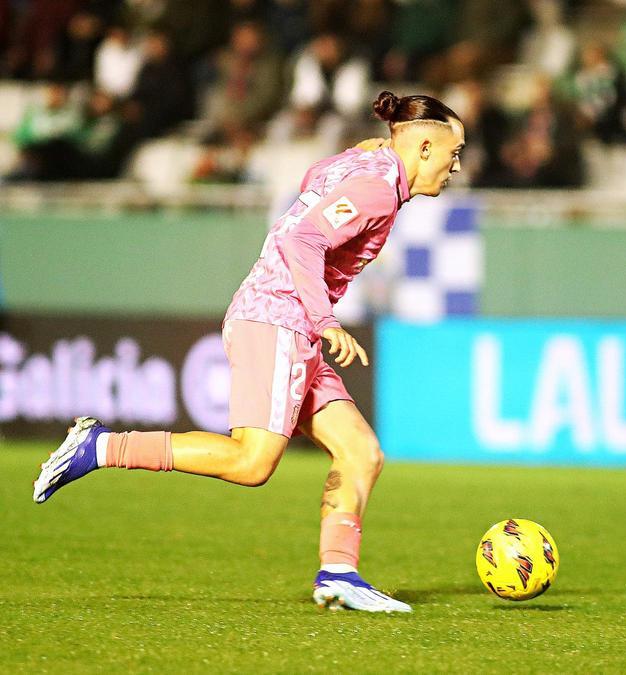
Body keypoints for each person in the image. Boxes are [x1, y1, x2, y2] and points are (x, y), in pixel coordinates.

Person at [33, 91, 466, 614]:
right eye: (453, 152)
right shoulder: (376, 186)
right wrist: (327, 320)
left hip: (288, 322)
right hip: (278, 318)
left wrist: (360, 158)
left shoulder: (368, 164)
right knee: (252, 461)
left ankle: (339, 575)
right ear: (423, 147)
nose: (456, 165)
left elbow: (312, 182)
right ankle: (100, 447)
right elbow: (303, 240)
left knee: (360, 453)